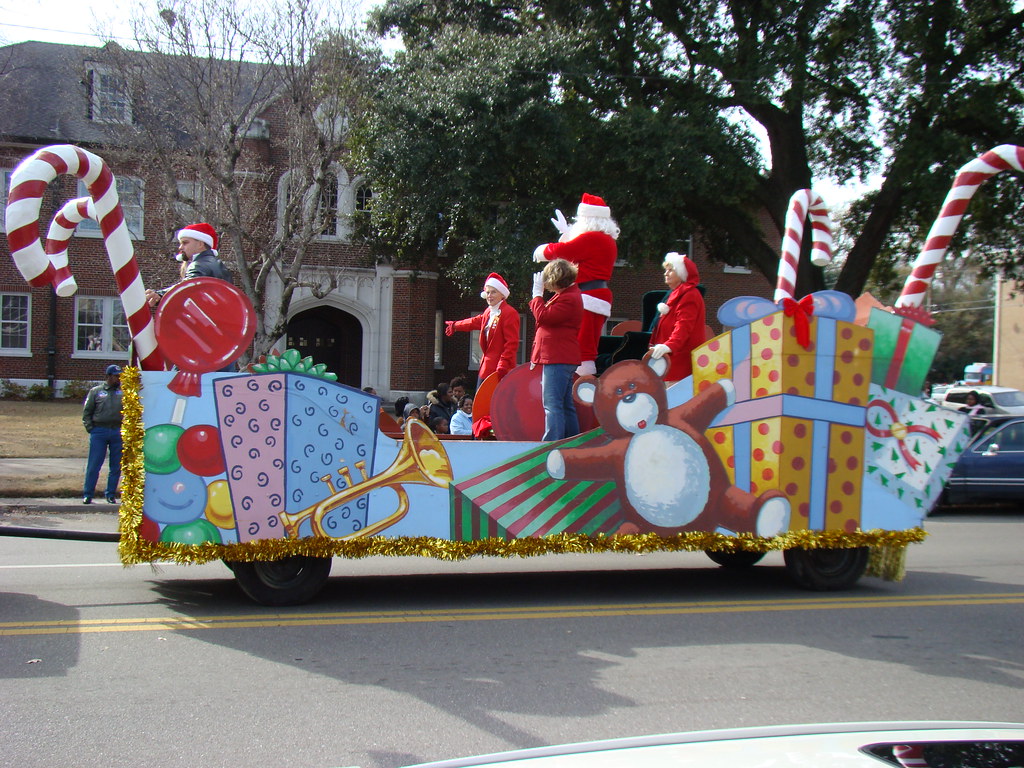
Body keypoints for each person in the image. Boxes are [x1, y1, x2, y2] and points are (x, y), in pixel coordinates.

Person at [533, 193, 618, 377]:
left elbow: (565, 251)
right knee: (585, 344)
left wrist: (542, 251)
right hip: (595, 295)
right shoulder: (606, 240)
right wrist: (567, 234)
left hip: (589, 296)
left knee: (582, 346)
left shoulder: (593, 238)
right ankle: (581, 384)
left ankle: (581, 386)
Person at [531, 259, 583, 441]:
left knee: (552, 405)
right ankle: (571, 441)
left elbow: (543, 317)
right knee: (565, 404)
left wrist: (537, 295)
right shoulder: (567, 295)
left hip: (558, 357)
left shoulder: (569, 298)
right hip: (561, 357)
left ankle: (551, 444)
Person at [445, 273, 521, 389]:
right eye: (488, 292)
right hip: (486, 367)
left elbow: (511, 343)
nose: (489, 296)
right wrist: (455, 325)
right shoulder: (488, 312)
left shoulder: (509, 313)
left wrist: (503, 364)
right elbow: (475, 321)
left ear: (502, 294)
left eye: (493, 292)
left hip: (500, 370)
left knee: (496, 405)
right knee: (480, 404)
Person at [648, 251, 707, 383]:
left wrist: (669, 346)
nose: (665, 273)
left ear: (681, 274)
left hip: (680, 366)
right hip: (669, 363)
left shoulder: (689, 295)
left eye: (670, 270)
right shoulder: (677, 294)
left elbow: (684, 326)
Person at [145, 222, 232, 308]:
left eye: (185, 243)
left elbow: (186, 288)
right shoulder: (219, 265)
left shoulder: (199, 265)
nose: (180, 247)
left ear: (200, 244)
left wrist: (159, 295)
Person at [82, 364, 124, 504]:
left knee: (116, 465)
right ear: (108, 376)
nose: (118, 378)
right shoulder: (96, 391)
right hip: (99, 431)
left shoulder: (124, 391)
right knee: (94, 463)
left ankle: (110, 494)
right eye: (116, 376)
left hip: (117, 431)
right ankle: (88, 493)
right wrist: (91, 428)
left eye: (120, 376)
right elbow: (87, 412)